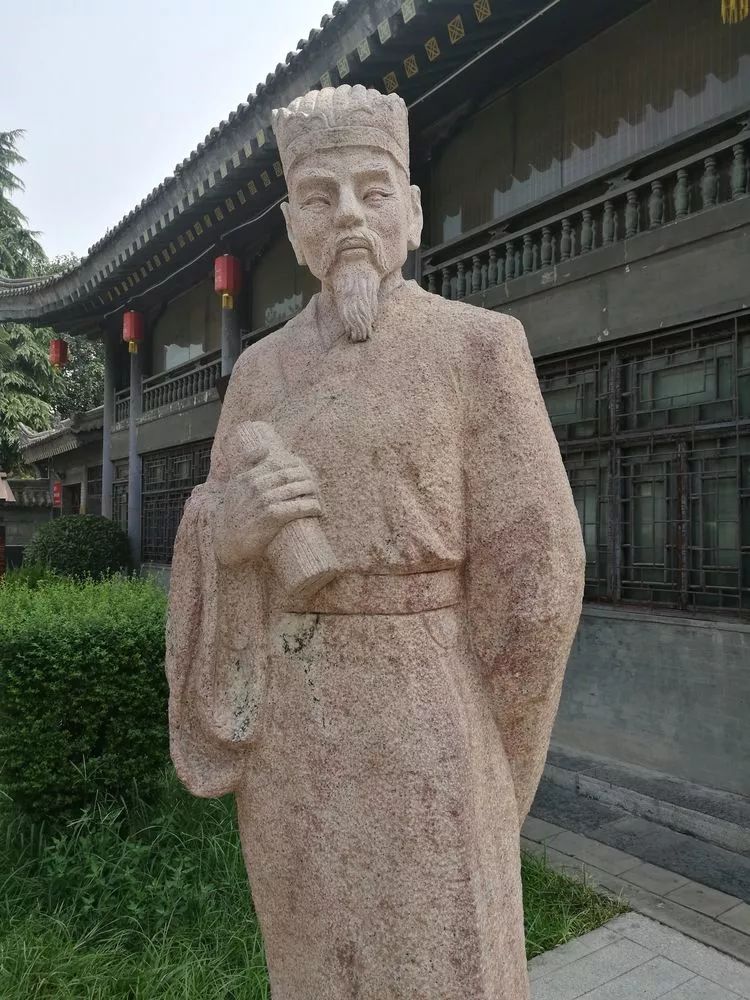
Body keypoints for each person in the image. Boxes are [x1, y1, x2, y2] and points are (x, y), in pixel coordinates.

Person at [166, 84, 585, 1000]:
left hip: (434, 713)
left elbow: (539, 578)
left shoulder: (479, 347)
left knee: (445, 965)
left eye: (374, 188)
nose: (349, 214)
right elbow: (213, 522)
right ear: (290, 222)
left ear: (414, 208)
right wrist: (225, 535)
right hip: (291, 734)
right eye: (319, 196)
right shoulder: (259, 375)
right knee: (313, 965)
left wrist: (488, 757)